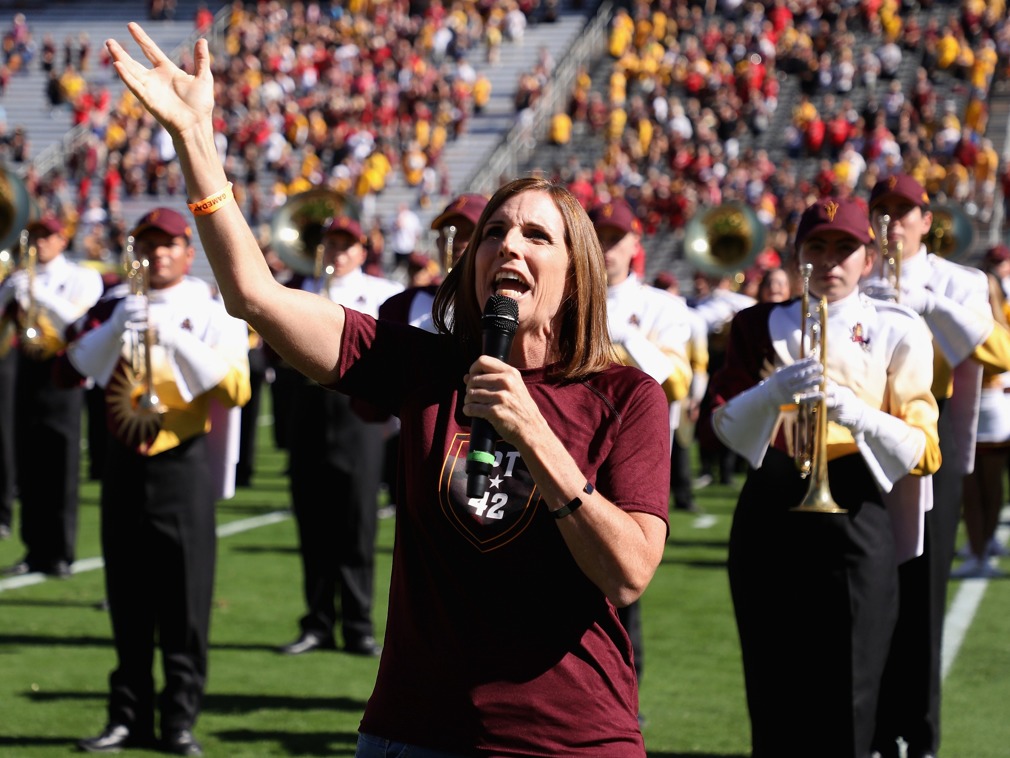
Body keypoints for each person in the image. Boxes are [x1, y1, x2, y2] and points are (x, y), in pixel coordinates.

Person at [105, 24, 671, 755]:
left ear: (578, 271)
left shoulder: (627, 397)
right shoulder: (422, 367)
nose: (509, 245)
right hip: (414, 732)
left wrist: (533, 432)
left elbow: (627, 573)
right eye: (495, 231)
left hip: (568, 738)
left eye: (537, 236)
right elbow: (253, 296)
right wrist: (194, 140)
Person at [708, 197, 940, 757]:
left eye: (845, 248)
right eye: (817, 246)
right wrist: (772, 393)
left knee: (855, 687)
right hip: (773, 499)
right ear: (796, 256)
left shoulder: (899, 327)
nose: (831, 260)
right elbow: (725, 428)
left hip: (859, 506)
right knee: (771, 684)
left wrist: (857, 413)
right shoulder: (755, 324)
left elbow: (924, 450)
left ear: (868, 258)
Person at [61, 207, 250, 756]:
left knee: (186, 602)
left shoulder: (212, 309)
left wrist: (175, 338)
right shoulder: (113, 304)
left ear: (188, 253)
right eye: (147, 244)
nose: (158, 253)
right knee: (127, 599)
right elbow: (71, 368)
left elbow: (235, 390)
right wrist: (122, 322)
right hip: (123, 466)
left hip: (182, 464)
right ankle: (127, 717)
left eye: (168, 244)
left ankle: (179, 720)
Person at [862, 174, 1010, 758]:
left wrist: (929, 304)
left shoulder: (961, 281)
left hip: (935, 427)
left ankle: (918, 733)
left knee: (923, 583)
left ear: (928, 221)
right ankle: (872, 727)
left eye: (906, 211)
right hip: (869, 427)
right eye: (883, 211)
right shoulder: (856, 279)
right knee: (872, 580)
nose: (894, 222)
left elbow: (999, 352)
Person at [278, 214, 402, 657]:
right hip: (308, 410)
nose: (339, 252)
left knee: (357, 522)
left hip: (357, 413)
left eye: (348, 244)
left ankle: (358, 623)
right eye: (331, 243)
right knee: (312, 521)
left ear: (362, 250)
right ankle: (316, 621)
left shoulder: (383, 293)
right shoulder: (299, 289)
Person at [591, 197, 693, 687]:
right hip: (569, 454)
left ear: (635, 244)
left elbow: (675, 381)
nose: (606, 248)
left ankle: (622, 697)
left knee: (624, 587)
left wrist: (624, 336)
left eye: (615, 238)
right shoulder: (566, 298)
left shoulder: (664, 307)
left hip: (635, 461)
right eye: (599, 236)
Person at [0, 215, 103, 577]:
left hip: (64, 369)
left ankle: (60, 550)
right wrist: (8, 292)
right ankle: (33, 547)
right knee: (28, 462)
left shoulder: (82, 276)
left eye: (47, 236)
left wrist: (38, 293)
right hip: (26, 368)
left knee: (61, 462)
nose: (39, 243)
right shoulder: (17, 277)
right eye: (35, 237)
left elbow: (78, 322)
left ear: (63, 240)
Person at [954, 267, 1010, 578]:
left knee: (992, 487)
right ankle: (976, 551)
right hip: (966, 410)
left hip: (996, 412)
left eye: (989, 293)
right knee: (970, 489)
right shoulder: (962, 323)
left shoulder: (1004, 324)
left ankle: (986, 546)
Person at [378, 192, 488, 331]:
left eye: (470, 233)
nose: (457, 242)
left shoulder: (505, 309)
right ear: (438, 243)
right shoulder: (400, 306)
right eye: (448, 233)